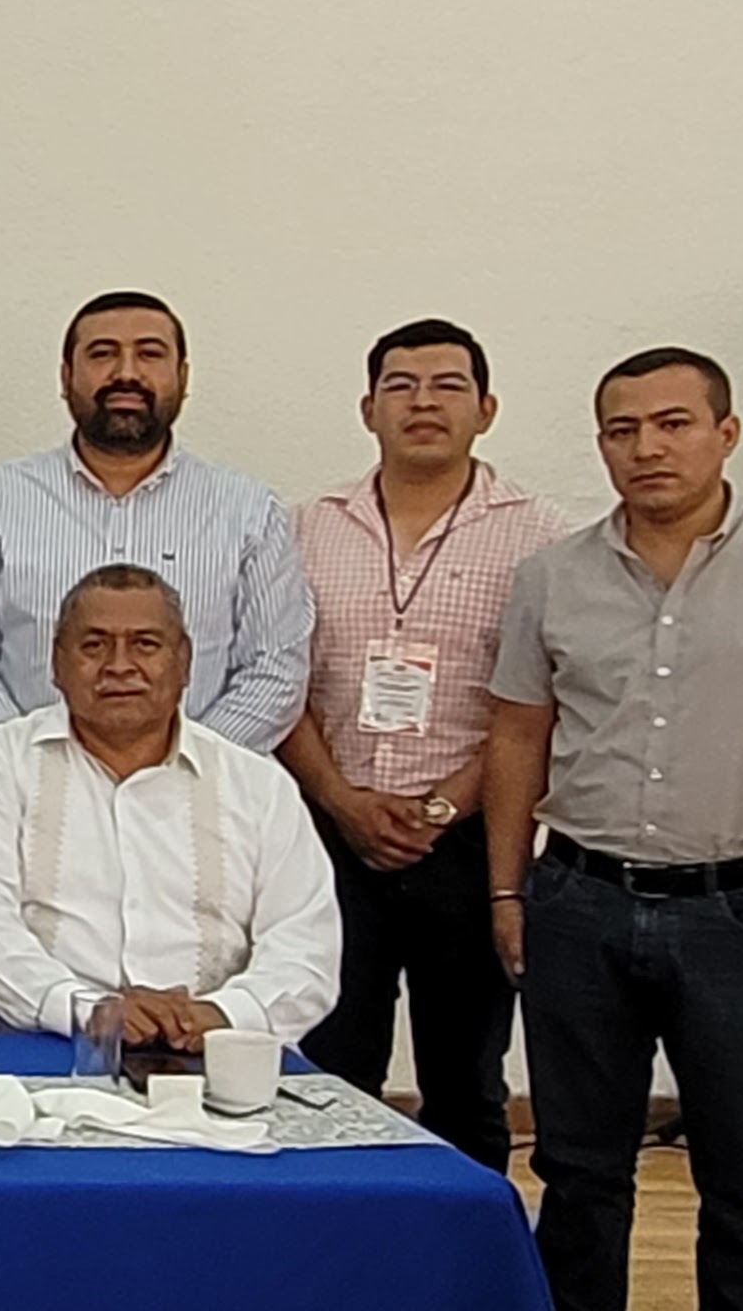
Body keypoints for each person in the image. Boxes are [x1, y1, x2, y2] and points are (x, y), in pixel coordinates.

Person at [484, 348, 743, 1311]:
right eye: (622, 429)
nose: (646, 447)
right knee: (576, 1171)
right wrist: (507, 889)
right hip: (578, 903)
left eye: (672, 423)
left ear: (726, 434)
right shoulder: (551, 576)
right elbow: (517, 735)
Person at [271, 320, 565, 1171]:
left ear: (485, 408)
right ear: (368, 409)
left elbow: (537, 705)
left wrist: (438, 808)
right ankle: (337, 1232)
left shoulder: (542, 537)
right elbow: (278, 679)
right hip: (328, 832)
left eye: (446, 385)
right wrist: (341, 801)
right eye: (399, 386)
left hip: (469, 842)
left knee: (464, 1078)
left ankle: (465, 1238)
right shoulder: (305, 526)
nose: (422, 402)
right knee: (329, 1067)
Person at [0, 565, 339, 1049]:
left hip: (217, 1048)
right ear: (57, 662)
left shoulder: (257, 785)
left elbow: (306, 946)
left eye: (145, 644)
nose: (119, 666)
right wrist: (91, 1010)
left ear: (184, 661)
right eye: (94, 645)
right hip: (45, 1044)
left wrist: (219, 1014)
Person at [0, 292, 312, 753]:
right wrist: (39, 759)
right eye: (102, 354)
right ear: (66, 377)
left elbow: (276, 668)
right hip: (27, 783)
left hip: (203, 787)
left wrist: (184, 765)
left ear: (183, 377)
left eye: (150, 354)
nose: (127, 373)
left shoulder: (250, 511)